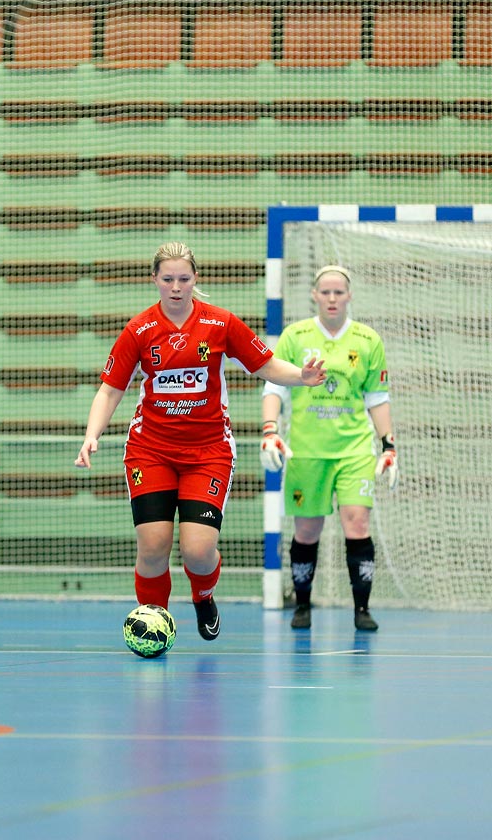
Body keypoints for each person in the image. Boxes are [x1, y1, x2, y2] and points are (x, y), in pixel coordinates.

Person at [75, 242, 325, 642]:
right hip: (150, 449)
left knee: (197, 550)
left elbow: (264, 364)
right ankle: (153, 621)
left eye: (184, 279)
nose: (176, 287)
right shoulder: (138, 330)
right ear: (154, 279)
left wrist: (301, 376)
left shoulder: (220, 323)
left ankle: (203, 594)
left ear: (196, 279)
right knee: (154, 545)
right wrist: (91, 436)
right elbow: (109, 390)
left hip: (208, 452)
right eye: (168, 279)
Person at [260, 264, 397, 632]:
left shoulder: (368, 341)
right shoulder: (294, 336)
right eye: (326, 292)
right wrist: (270, 429)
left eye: (339, 292)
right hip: (307, 450)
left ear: (349, 295)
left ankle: (362, 610)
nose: (332, 298)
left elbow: (377, 396)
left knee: (358, 522)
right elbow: (274, 386)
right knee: (306, 531)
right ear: (315, 295)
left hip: (353, 450)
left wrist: (388, 444)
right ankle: (302, 605)